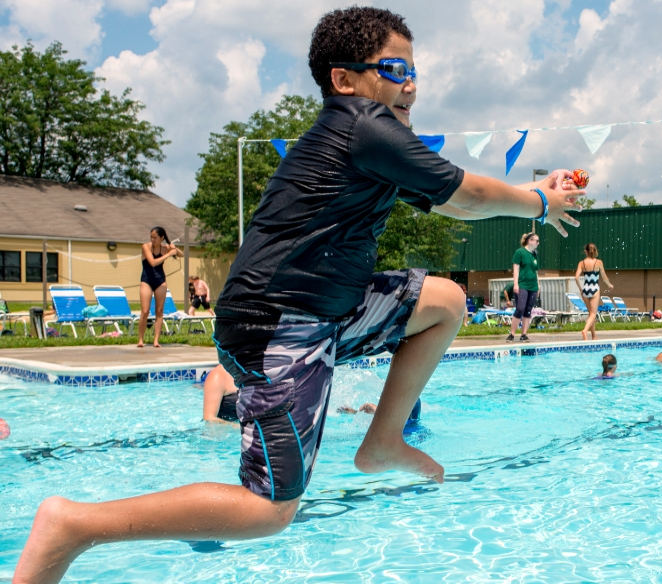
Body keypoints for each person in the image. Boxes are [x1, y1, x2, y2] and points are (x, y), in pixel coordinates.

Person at [14, 9, 584, 582]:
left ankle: (382, 441)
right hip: (277, 324)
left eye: (415, 70)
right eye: (393, 68)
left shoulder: (371, 142)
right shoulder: (361, 125)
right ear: (344, 80)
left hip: (326, 313)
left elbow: (455, 200)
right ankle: (74, 525)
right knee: (269, 509)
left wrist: (537, 191)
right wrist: (539, 201)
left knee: (444, 302)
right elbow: (469, 194)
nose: (411, 83)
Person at [136, 227, 183, 348]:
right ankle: (140, 339)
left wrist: (174, 248)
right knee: (145, 311)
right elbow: (153, 262)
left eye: (155, 237)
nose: (152, 239)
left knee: (159, 311)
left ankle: (156, 340)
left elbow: (182, 255)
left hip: (160, 281)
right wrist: (168, 254)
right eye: (151, 237)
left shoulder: (165, 248)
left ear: (162, 238)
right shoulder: (145, 247)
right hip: (146, 280)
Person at [574, 243, 614, 341]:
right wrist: (609, 285)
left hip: (586, 289)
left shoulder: (581, 263)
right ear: (595, 251)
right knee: (593, 314)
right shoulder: (599, 262)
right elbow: (604, 277)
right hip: (595, 288)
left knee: (590, 314)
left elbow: (576, 277)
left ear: (585, 251)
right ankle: (585, 330)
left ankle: (594, 336)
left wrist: (580, 289)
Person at [508, 233, 540, 342]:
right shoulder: (520, 252)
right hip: (522, 284)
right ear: (529, 241)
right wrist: (516, 284)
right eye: (536, 241)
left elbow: (535, 271)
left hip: (533, 286)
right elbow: (516, 269)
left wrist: (538, 286)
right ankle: (512, 334)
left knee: (528, 310)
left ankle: (524, 334)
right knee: (520, 308)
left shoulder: (534, 254)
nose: (538, 243)